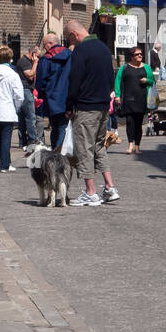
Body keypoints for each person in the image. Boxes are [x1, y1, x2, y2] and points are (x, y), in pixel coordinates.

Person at [65, 20, 118, 205]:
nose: (70, 43)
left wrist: (69, 105)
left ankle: (90, 191)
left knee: (84, 148)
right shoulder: (104, 48)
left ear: (74, 34)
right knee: (99, 146)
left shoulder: (81, 50)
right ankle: (110, 187)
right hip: (103, 106)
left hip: (86, 107)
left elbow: (75, 79)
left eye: (68, 39)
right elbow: (111, 77)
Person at [0, 44, 24, 171]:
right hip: (8, 109)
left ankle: (6, 162)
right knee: (6, 138)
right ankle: (4, 165)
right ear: (10, 58)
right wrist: (17, 107)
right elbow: (19, 95)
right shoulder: (13, 74)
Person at [114, 46, 154, 154]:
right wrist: (117, 95)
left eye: (141, 54)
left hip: (142, 100)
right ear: (132, 56)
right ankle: (130, 144)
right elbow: (118, 81)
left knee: (138, 123)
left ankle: (137, 146)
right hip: (128, 99)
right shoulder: (125, 67)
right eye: (137, 54)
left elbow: (153, 81)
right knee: (130, 122)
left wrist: (147, 80)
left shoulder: (146, 68)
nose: (140, 55)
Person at [35, 32, 72, 148]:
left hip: (51, 98)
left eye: (45, 45)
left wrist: (41, 94)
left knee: (55, 127)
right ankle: (60, 153)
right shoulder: (71, 56)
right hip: (68, 97)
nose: (44, 48)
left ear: (51, 43)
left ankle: (55, 153)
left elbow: (41, 81)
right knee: (63, 126)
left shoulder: (46, 59)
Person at [15, 42, 41, 148]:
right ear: (33, 54)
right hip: (25, 90)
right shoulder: (24, 62)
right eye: (37, 56)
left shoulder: (26, 61)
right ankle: (32, 140)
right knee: (30, 116)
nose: (38, 58)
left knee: (23, 117)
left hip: (25, 90)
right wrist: (35, 63)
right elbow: (30, 75)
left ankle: (23, 142)